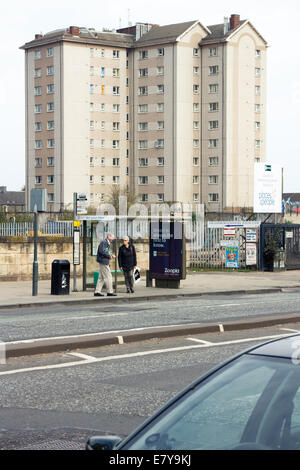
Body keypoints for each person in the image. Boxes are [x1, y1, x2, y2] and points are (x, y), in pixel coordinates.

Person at [94, 232, 117, 297]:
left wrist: (110, 255)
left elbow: (105, 251)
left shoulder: (106, 243)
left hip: (104, 261)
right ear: (108, 237)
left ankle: (97, 291)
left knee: (101, 278)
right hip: (103, 261)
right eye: (112, 237)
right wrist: (109, 256)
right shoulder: (104, 242)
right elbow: (102, 251)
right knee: (108, 277)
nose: (113, 239)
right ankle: (110, 292)